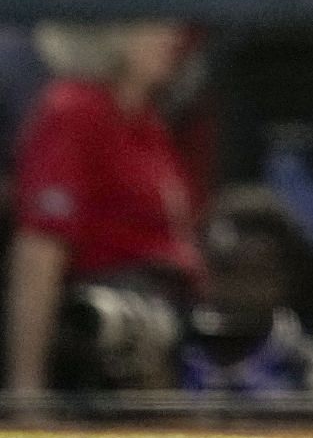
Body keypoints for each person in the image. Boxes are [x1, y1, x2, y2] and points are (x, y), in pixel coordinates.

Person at [7, 21, 203, 395]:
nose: (171, 36)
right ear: (110, 35)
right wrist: (26, 385)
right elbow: (39, 250)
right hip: (108, 328)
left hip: (173, 319)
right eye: (151, 24)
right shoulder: (74, 109)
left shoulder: (147, 120)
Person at [177, 189, 313, 395]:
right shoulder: (165, 358)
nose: (234, 289)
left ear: (286, 278)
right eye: (223, 270)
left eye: (252, 274)